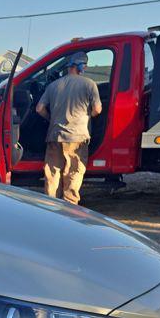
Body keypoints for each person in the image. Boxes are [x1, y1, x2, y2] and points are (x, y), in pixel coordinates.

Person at [36, 52, 102, 204]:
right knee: (73, 172)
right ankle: (70, 207)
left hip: (55, 136)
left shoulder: (53, 85)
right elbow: (97, 109)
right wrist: (88, 116)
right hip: (77, 137)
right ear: (80, 66)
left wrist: (51, 119)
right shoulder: (89, 84)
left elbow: (39, 108)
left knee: (53, 173)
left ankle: (50, 206)